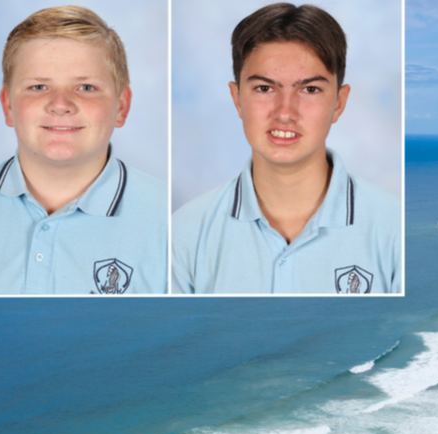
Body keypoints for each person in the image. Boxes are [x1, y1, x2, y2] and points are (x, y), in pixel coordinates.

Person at [171, 2, 401, 295]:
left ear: (339, 103)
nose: (285, 112)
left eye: (310, 89)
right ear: (237, 98)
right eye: (265, 88)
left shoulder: (395, 231)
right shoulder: (184, 235)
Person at [0, 5, 168, 295]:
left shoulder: (169, 227)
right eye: (39, 86)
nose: (61, 104)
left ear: (122, 106)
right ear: (8, 105)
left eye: (86, 87)